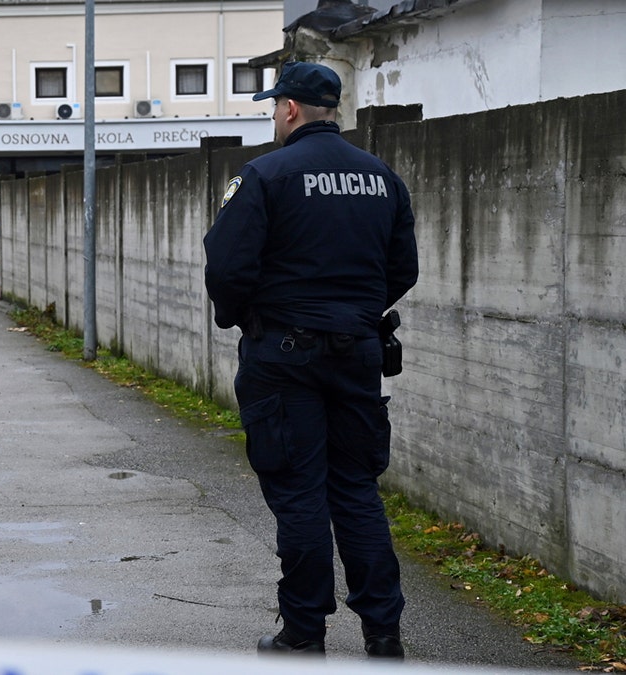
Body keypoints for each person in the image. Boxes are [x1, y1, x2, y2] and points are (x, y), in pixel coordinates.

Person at [203, 61, 418, 659]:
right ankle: (384, 633)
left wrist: (241, 316)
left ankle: (303, 633)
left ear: (290, 109)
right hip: (358, 354)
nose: (274, 116)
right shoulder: (382, 178)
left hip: (284, 357)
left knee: (300, 494)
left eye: (275, 107)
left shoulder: (266, 175)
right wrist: (354, 314)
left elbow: (225, 267)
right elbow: (404, 267)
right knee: (355, 490)